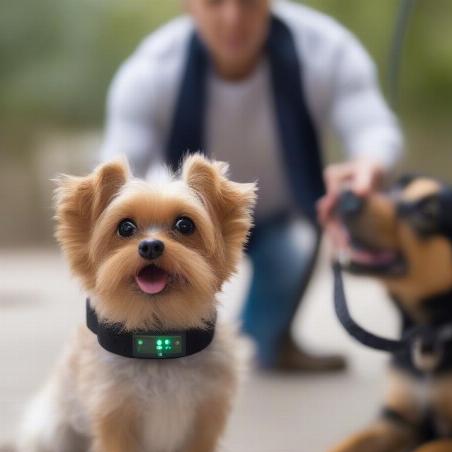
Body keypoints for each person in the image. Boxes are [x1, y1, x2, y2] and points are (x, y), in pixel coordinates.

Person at [101, 0, 403, 372]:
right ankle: (167, 337)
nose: (233, 19)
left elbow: (371, 125)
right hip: (179, 226)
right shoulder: (149, 71)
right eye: (214, 3)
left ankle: (266, 340)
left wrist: (366, 165)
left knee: (294, 251)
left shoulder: (327, 49)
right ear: (188, 5)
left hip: (281, 217)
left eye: (248, 3)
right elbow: (117, 171)